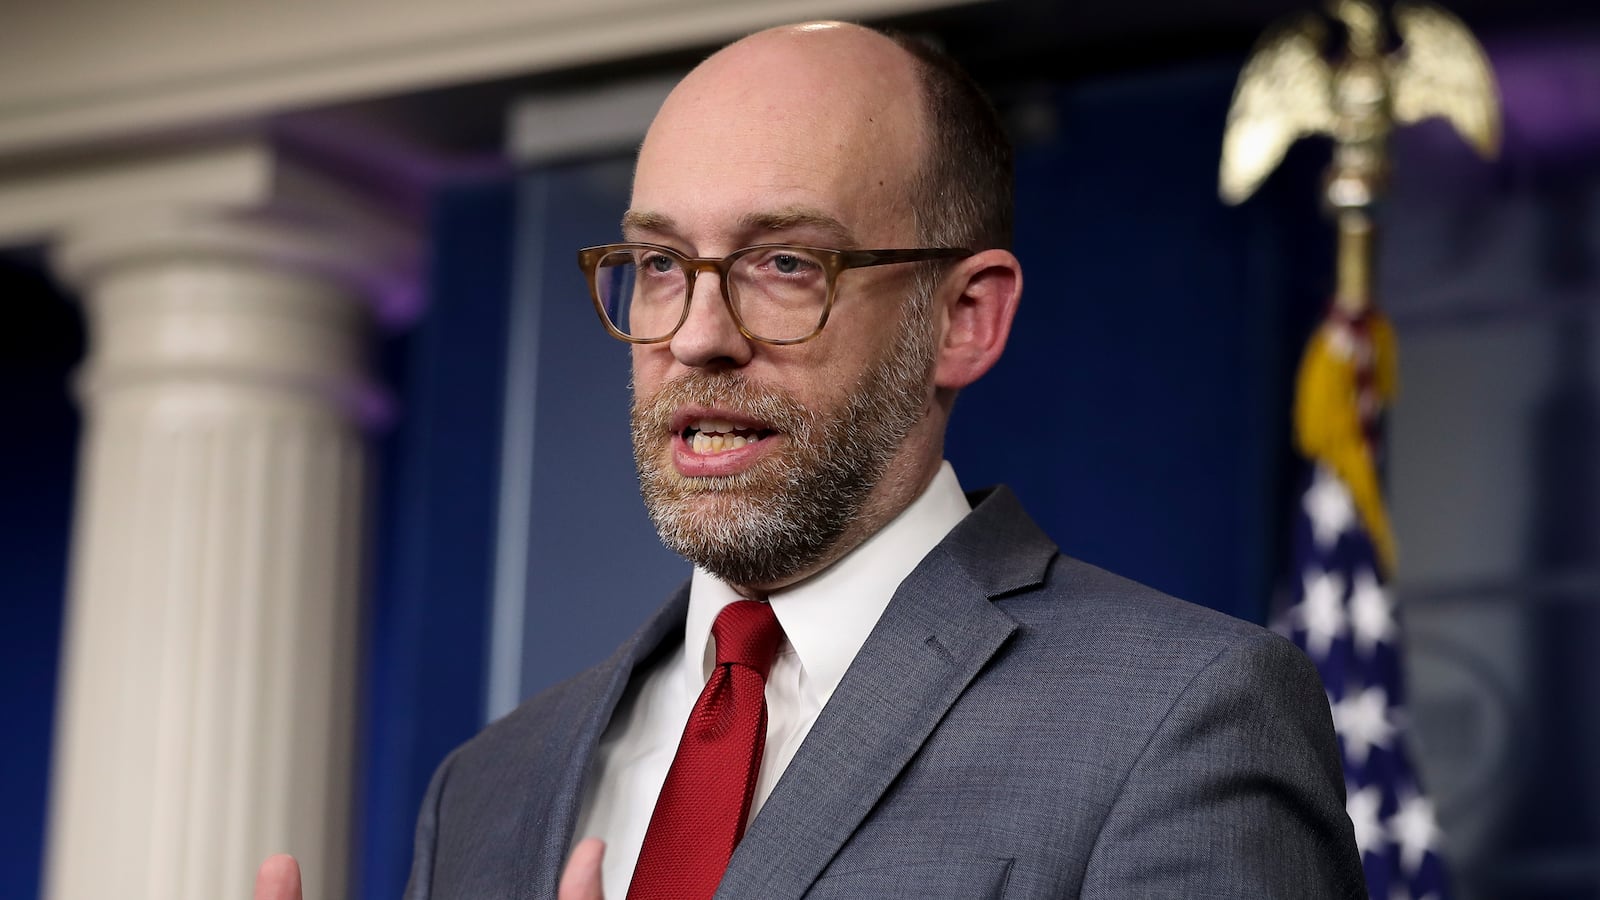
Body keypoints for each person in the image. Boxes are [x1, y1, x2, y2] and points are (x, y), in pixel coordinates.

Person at [257, 20, 1364, 900]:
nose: (695, 335)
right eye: (656, 262)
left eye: (783, 262)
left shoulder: (1181, 718)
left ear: (963, 318)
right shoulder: (482, 789)